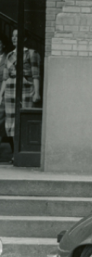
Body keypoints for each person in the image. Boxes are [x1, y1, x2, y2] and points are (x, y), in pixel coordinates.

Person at [0, 29, 41, 163]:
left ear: (24, 38)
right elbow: (5, 78)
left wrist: (37, 92)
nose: (14, 38)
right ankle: (14, 154)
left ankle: (22, 153)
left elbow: (35, 75)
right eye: (13, 36)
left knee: (23, 120)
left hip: (26, 89)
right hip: (10, 90)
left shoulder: (31, 53)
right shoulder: (9, 55)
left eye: (18, 36)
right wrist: (1, 94)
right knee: (10, 123)